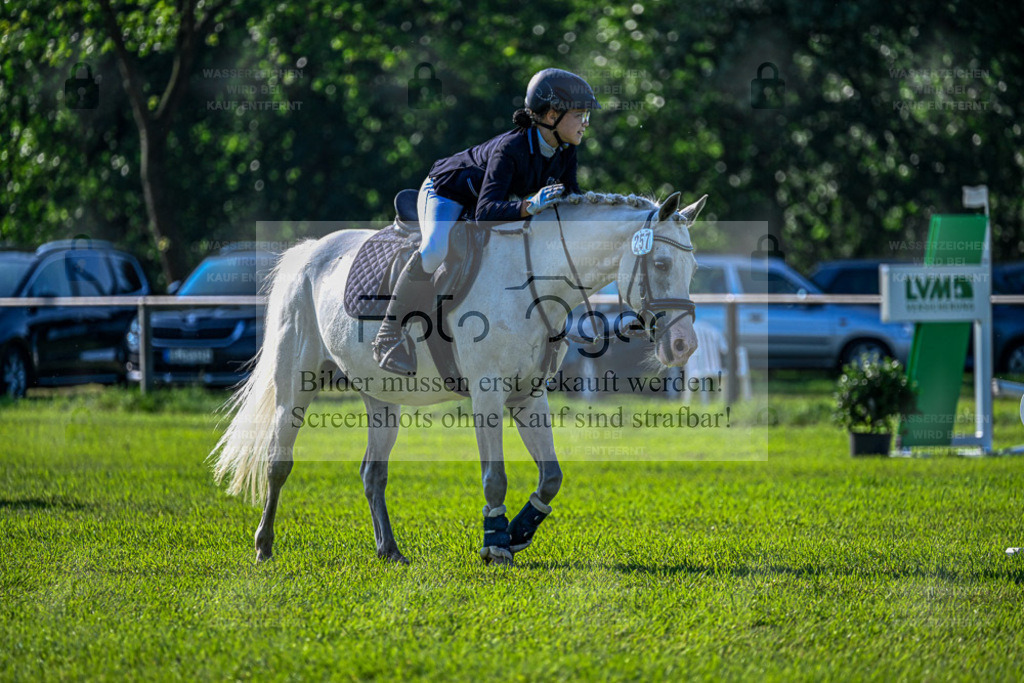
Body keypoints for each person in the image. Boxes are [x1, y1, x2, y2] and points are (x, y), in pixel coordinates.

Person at [372, 68, 602, 375]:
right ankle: (387, 336)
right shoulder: (512, 149)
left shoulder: (565, 150)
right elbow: (485, 214)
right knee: (434, 250)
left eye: (587, 115)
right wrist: (530, 206)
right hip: (446, 192)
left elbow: (570, 203)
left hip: (486, 201)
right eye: (579, 114)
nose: (586, 123)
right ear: (551, 116)